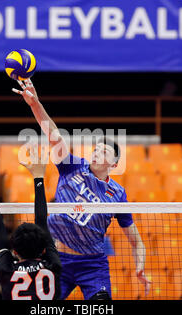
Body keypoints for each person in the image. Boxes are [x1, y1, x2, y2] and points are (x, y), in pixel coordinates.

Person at [12, 79, 151, 300]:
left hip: (93, 265)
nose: (97, 153)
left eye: (104, 152)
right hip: (57, 261)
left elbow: (137, 242)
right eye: (96, 149)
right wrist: (35, 105)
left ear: (114, 164)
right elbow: (54, 136)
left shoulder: (117, 195)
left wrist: (140, 267)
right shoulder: (72, 166)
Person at [0, 148, 61, 300]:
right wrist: (39, 177)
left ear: (14, 251)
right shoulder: (53, 265)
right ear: (43, 249)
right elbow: (41, 221)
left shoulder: (7, 269)